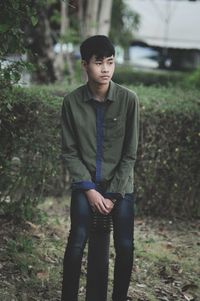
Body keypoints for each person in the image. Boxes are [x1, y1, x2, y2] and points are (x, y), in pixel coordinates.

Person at [61, 35, 139, 301]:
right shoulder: (71, 102)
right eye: (98, 63)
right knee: (75, 243)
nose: (105, 69)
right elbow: (70, 152)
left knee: (126, 247)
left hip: (120, 188)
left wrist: (114, 194)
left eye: (110, 62)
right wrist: (91, 191)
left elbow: (130, 154)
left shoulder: (129, 100)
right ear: (85, 64)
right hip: (87, 187)